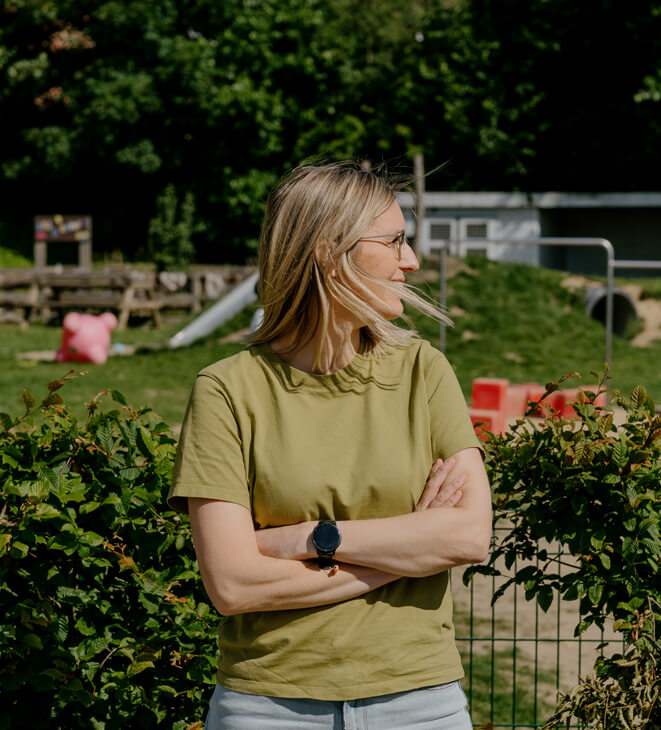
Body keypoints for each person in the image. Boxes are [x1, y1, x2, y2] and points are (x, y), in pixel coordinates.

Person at [166, 162, 492, 729]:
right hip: (268, 707)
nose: (410, 260)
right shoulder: (226, 390)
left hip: (420, 702)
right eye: (394, 241)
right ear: (328, 252)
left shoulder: (424, 372)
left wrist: (313, 540)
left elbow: (468, 534)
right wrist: (405, 554)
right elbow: (233, 584)